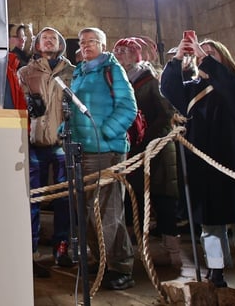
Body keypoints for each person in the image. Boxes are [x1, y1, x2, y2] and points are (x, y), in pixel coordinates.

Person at [160, 33, 235, 304]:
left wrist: (204, 57)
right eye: (199, 53)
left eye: (209, 53)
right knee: (211, 225)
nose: (202, 56)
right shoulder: (192, 89)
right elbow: (168, 87)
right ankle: (216, 273)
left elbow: (232, 91)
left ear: (222, 58)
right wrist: (178, 57)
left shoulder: (234, 84)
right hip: (204, 164)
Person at [69, 27, 137, 290]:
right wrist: (67, 129)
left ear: (103, 45)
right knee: (87, 211)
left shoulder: (112, 70)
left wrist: (106, 132)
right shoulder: (80, 73)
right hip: (84, 150)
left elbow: (128, 107)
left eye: (92, 41)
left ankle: (121, 267)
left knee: (109, 211)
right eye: (82, 42)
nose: (86, 45)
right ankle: (101, 261)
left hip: (106, 150)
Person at [113, 37, 181, 269]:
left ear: (136, 55)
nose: (120, 54)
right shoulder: (117, 81)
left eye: (125, 50)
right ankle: (138, 253)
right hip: (132, 150)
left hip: (157, 149)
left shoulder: (150, 80)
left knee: (163, 200)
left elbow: (166, 113)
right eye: (117, 50)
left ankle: (172, 253)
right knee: (134, 200)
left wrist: (147, 140)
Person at [17, 27, 73, 271]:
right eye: (44, 38)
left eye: (54, 38)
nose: (49, 41)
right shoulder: (25, 73)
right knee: (33, 198)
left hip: (63, 142)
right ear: (37, 45)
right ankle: (31, 250)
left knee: (64, 199)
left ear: (60, 45)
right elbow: (18, 101)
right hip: (35, 141)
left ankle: (62, 247)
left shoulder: (72, 72)